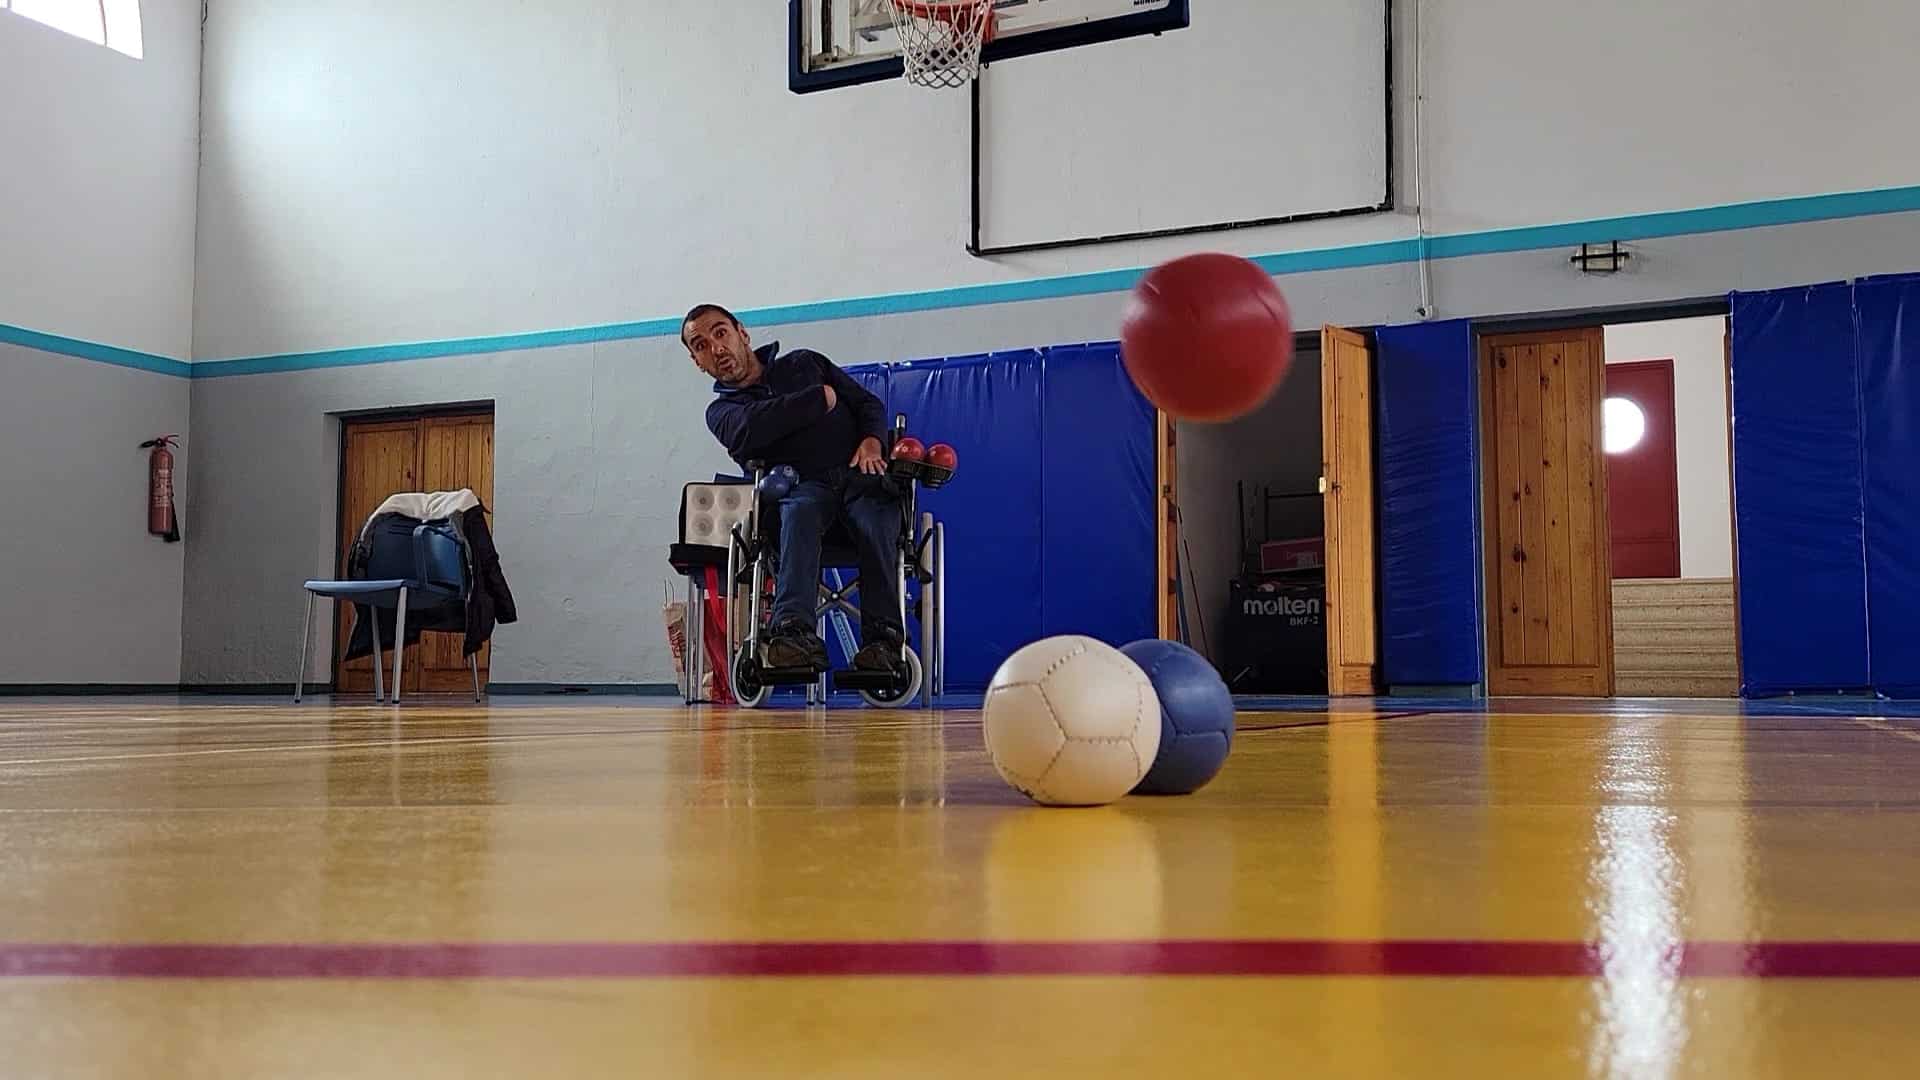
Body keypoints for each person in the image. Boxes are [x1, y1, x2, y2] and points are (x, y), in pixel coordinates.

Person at [682, 303, 904, 673]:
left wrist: (871, 440)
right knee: (798, 511)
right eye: (701, 345)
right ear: (697, 362)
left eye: (721, 333)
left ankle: (882, 642)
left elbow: (866, 404)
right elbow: (751, 429)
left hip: (857, 477)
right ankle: (792, 634)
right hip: (800, 492)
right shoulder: (721, 414)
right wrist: (818, 400)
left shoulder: (804, 364)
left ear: (742, 333)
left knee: (875, 514)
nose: (716, 348)